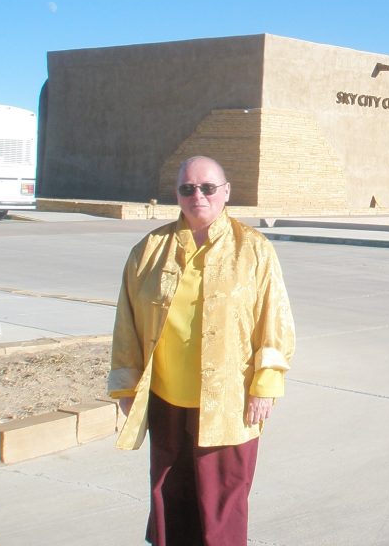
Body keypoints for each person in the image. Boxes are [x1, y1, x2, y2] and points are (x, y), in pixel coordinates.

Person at [108, 155, 296, 546]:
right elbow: (126, 324)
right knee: (171, 495)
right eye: (187, 188)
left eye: (208, 187)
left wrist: (266, 384)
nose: (198, 195)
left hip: (229, 402)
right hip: (167, 400)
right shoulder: (149, 250)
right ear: (176, 194)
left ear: (226, 192)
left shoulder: (254, 250)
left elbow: (274, 321)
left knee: (223, 498)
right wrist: (127, 387)